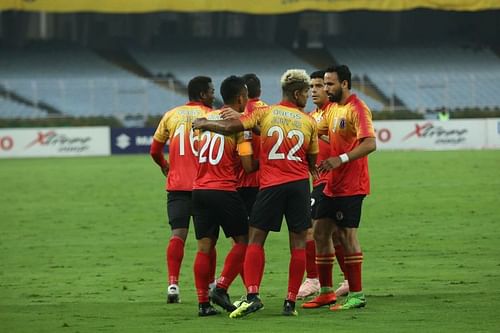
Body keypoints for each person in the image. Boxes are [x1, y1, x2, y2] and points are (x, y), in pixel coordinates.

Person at [193, 69, 319, 318]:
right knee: (298, 243)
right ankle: (290, 303)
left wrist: (205, 122)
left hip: (270, 184)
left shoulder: (265, 113)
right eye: (306, 93)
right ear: (297, 93)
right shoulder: (308, 121)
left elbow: (232, 127)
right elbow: (311, 160)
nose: (308, 97)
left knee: (255, 239)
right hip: (298, 185)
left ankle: (252, 295)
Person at [302, 65, 376, 311]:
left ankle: (357, 294)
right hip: (332, 183)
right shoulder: (333, 109)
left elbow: (370, 143)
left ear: (344, 84)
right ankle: (326, 292)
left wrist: (340, 159)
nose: (325, 88)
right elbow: (315, 132)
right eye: (323, 84)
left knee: (346, 235)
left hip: (352, 184)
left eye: (330, 84)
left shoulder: (357, 108)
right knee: (321, 232)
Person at [192, 75, 257, 316]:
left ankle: (203, 304)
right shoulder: (239, 125)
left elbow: (199, 149)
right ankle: (221, 287)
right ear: (241, 98)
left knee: (204, 248)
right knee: (245, 241)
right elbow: (248, 165)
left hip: (199, 190)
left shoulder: (204, 120)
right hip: (224, 190)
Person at [150, 76, 215, 304]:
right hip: (205, 185)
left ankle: (173, 285)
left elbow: (155, 150)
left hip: (177, 186)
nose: (214, 95)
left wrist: (165, 165)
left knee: (178, 235)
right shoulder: (211, 116)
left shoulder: (171, 114)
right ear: (202, 94)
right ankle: (211, 283)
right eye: (211, 91)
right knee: (207, 239)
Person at [298, 71, 350, 299]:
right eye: (312, 86)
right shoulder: (311, 116)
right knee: (335, 233)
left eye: (320, 85)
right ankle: (347, 279)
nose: (315, 90)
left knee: (313, 230)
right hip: (320, 181)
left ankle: (314, 279)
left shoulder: (336, 113)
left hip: (333, 181)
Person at [237, 73, 267, 216]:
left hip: (241, 179)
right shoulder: (269, 110)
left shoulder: (240, 111)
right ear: (260, 91)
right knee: (258, 229)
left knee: (241, 230)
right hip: (266, 180)